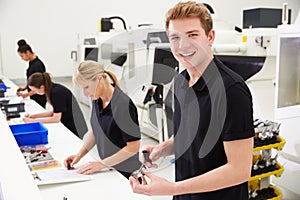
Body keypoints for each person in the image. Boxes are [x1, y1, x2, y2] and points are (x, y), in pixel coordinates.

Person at [129, 1, 255, 200]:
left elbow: (239, 170)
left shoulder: (231, 91)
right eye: (175, 38)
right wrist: (161, 149)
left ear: (210, 36)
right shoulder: (181, 82)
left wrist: (171, 188)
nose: (183, 45)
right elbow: (189, 136)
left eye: (192, 35)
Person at [64, 60, 141, 179]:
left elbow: (133, 148)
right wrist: (79, 155)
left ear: (99, 79)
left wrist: (101, 164)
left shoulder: (123, 105)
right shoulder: (97, 100)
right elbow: (96, 131)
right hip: (110, 168)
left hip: (126, 173)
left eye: (86, 87)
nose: (85, 93)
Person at [23, 72, 88, 138]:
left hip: (75, 127)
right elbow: (54, 112)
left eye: (35, 90)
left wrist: (33, 121)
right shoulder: (53, 88)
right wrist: (34, 116)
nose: (35, 93)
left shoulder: (56, 93)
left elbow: (56, 118)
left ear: (42, 87)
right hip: (72, 124)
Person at [17, 39, 47, 108]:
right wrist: (24, 88)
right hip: (33, 95)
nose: (22, 58)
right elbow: (32, 80)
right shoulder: (31, 62)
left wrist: (26, 95)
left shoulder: (38, 65)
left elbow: (40, 86)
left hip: (39, 96)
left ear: (27, 52)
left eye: (22, 56)